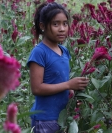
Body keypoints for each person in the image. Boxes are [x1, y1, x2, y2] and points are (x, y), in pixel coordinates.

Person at [27, 2, 89, 133]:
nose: (62, 29)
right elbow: (37, 88)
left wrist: (73, 96)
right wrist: (69, 85)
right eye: (56, 24)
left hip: (63, 116)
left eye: (65, 23)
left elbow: (61, 80)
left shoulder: (64, 50)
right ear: (42, 26)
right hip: (45, 119)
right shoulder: (39, 52)